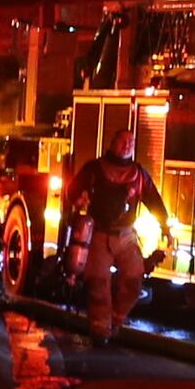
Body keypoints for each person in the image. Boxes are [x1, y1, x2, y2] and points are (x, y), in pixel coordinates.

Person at [71, 137, 165, 340]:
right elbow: (72, 191)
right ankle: (100, 330)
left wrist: (165, 225)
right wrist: (78, 198)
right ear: (112, 144)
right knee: (98, 282)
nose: (127, 145)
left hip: (126, 236)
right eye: (123, 141)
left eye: (131, 142)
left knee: (134, 279)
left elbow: (154, 200)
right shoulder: (94, 169)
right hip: (99, 234)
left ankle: (116, 320)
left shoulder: (139, 175)